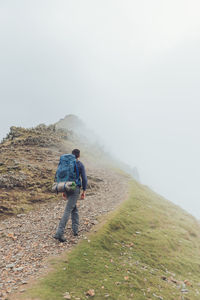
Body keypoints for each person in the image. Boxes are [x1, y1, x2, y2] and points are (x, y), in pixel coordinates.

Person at [54, 149, 87, 242]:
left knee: (74, 208)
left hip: (66, 186)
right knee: (68, 210)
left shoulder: (66, 163)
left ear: (72, 155)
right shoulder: (80, 164)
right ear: (79, 155)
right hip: (75, 188)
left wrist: (64, 191)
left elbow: (62, 176)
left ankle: (75, 230)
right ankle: (59, 233)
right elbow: (84, 178)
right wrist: (84, 190)